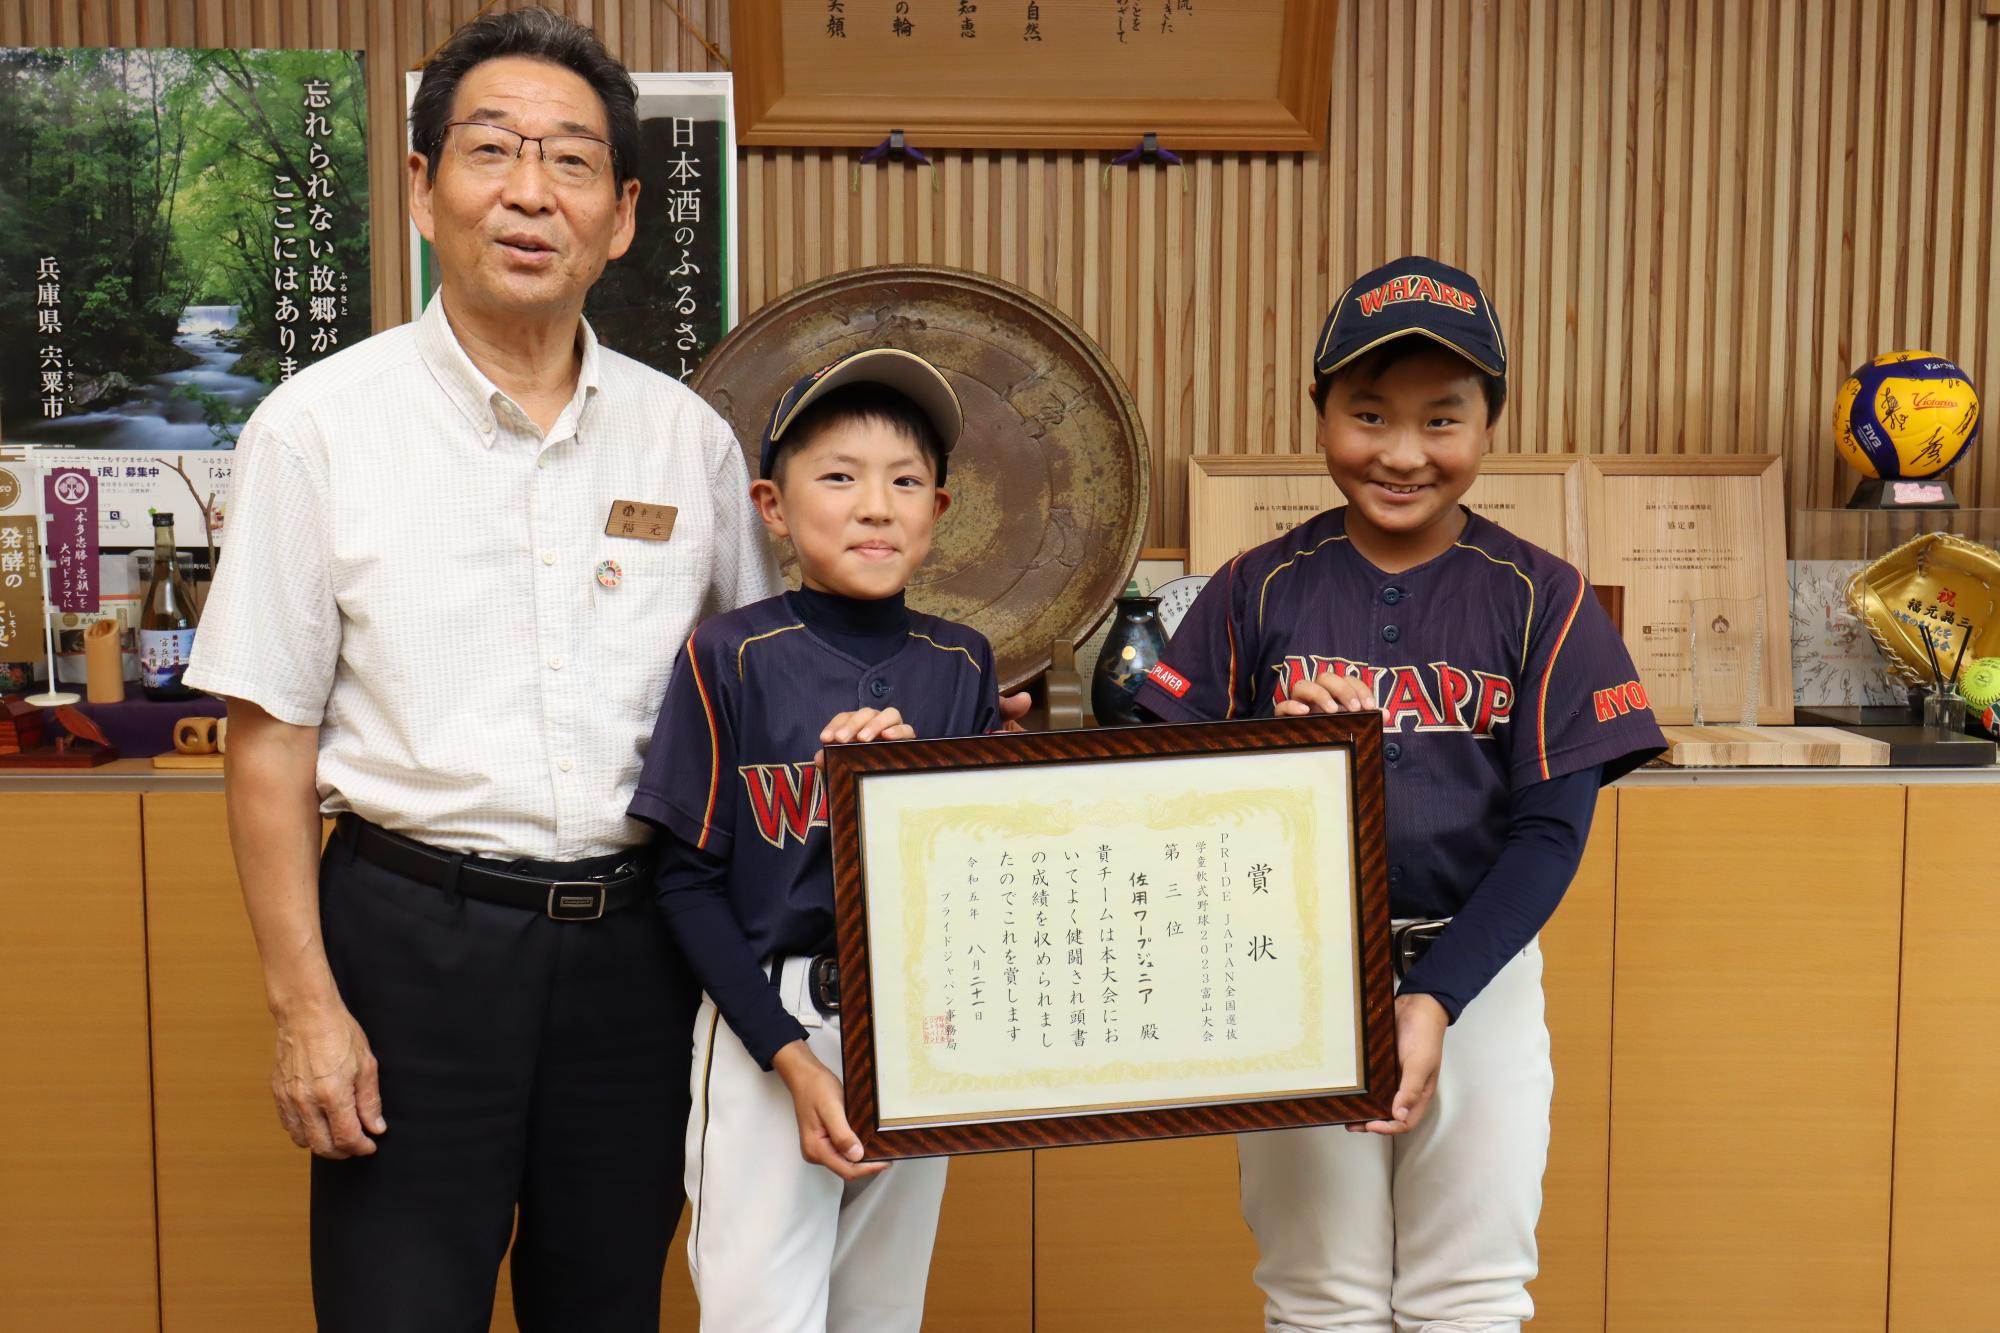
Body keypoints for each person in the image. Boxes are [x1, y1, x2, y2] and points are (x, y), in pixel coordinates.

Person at [182, 8, 779, 1329]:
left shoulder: (689, 445)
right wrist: (304, 1007)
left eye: (570, 160)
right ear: (420, 185)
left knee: (607, 1303)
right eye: (491, 148)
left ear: (622, 215)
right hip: (410, 947)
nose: (528, 191)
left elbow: (763, 703)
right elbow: (268, 740)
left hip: (638, 960)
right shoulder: (317, 432)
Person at [1134, 256, 1664, 1332]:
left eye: (1442, 418)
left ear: (1487, 425)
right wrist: (1269, 754)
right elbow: (1162, 799)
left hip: (1480, 974)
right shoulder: (1255, 586)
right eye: (1367, 412)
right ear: (1320, 413)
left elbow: (1549, 835)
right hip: (1295, 979)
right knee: (1316, 1293)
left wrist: (1436, 998)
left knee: (1468, 1291)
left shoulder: (1539, 594)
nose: (1402, 452)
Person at [629, 348, 1000, 1333]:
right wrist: (787, 1055)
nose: (875, 505)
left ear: (939, 511)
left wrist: (912, 792)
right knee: (761, 1317)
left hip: (919, 1028)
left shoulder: (960, 665)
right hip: (769, 1024)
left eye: (905, 480)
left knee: (879, 1314)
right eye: (838, 476)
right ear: (773, 505)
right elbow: (685, 884)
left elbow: (987, 876)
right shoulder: (732, 653)